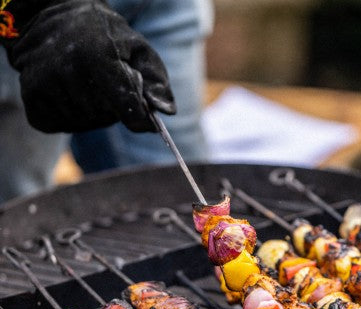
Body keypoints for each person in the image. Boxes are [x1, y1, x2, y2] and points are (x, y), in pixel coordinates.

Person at [0, 0, 213, 202]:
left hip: (156, 7)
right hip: (22, 20)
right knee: (19, 200)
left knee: (177, 192)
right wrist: (36, 8)